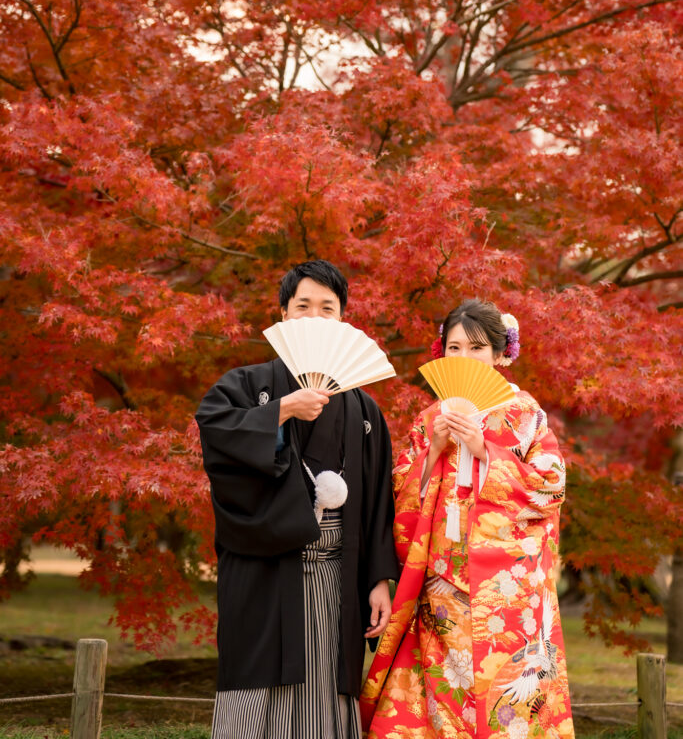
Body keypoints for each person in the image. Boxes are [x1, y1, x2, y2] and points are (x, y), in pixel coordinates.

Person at [196, 259, 398, 739]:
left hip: (339, 575)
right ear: (283, 314)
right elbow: (214, 430)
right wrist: (282, 410)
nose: (314, 315)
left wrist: (379, 579)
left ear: (343, 319)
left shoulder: (364, 409)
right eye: (302, 305)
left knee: (328, 691)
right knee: (256, 688)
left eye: (327, 307)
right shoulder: (248, 386)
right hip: (266, 570)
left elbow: (375, 504)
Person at [361, 298, 575, 739]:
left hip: (508, 589)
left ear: (500, 354)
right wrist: (433, 450)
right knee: (442, 693)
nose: (464, 358)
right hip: (441, 580)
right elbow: (399, 492)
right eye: (454, 348)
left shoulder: (526, 414)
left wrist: (485, 451)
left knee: (507, 697)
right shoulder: (429, 418)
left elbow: (551, 487)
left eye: (476, 348)